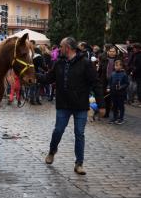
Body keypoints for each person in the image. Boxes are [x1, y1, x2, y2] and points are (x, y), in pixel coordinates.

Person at [38, 37, 105, 175]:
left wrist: (101, 104)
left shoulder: (85, 63)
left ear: (67, 48)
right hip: (63, 104)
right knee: (58, 130)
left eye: (61, 47)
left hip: (80, 105)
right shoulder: (58, 63)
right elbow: (48, 78)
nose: (59, 49)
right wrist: (32, 74)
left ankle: (79, 163)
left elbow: (96, 83)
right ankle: (52, 151)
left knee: (79, 134)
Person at [107, 60, 129, 124]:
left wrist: (121, 87)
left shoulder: (124, 74)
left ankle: (121, 118)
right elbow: (110, 82)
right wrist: (108, 87)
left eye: (117, 66)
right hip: (113, 93)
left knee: (121, 106)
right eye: (115, 66)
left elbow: (127, 83)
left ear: (121, 66)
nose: (115, 67)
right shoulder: (113, 73)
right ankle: (115, 117)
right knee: (114, 106)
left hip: (121, 94)